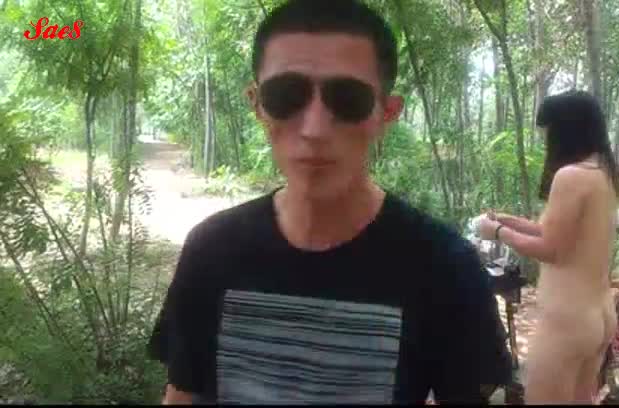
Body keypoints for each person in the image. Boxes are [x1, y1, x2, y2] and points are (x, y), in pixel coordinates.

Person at [148, 0, 512, 404]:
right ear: (257, 104)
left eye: (348, 99)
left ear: (387, 112)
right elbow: (182, 394)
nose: (315, 128)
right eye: (286, 96)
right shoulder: (212, 249)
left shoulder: (445, 267)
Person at [476, 90, 619, 404]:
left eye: (548, 134)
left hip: (567, 321)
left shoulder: (571, 176)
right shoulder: (603, 172)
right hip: (598, 315)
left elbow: (551, 250)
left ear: (565, 131)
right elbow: (562, 236)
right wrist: (509, 220)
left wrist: (497, 231)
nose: (547, 143)